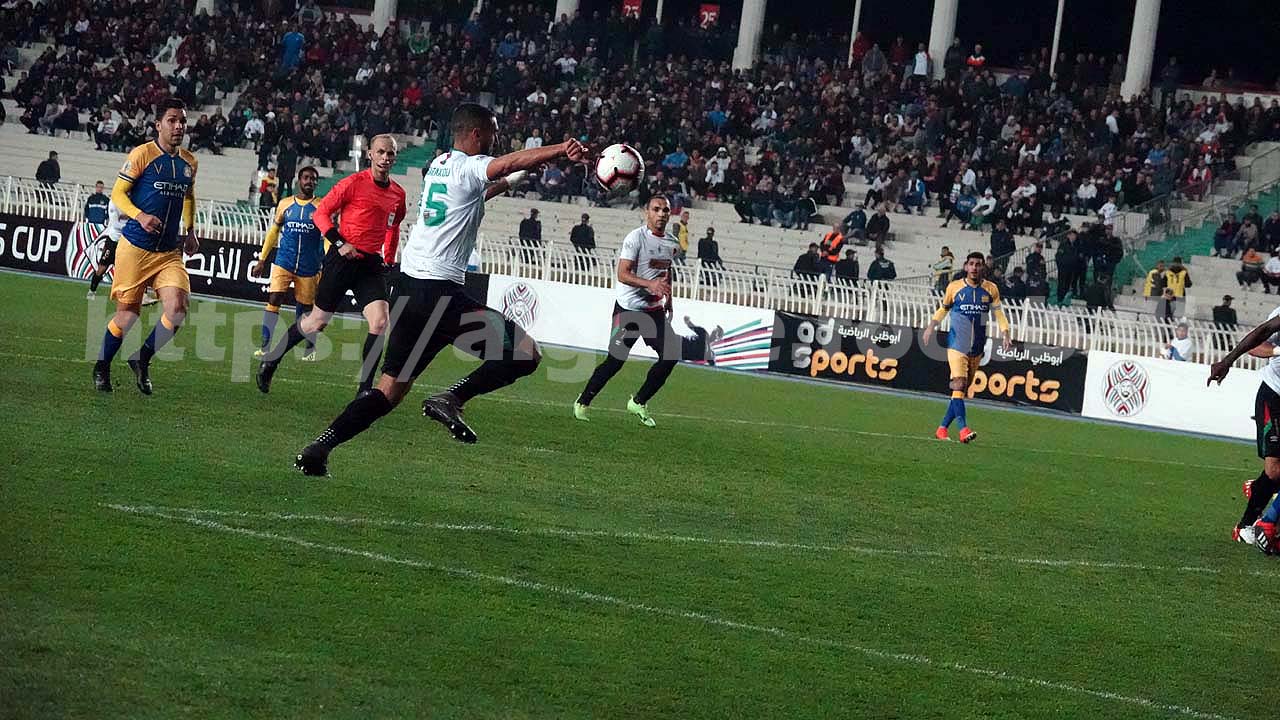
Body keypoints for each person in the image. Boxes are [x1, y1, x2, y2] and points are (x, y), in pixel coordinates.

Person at [294, 104, 586, 475]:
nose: (495, 139)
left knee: (388, 391)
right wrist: (560, 149)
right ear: (477, 134)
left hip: (408, 290)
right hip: (438, 294)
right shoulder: (469, 166)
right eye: (493, 132)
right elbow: (504, 164)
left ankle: (319, 448)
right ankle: (452, 398)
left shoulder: (440, 165)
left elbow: (478, 194)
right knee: (526, 352)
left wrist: (520, 175)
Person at [257, 134, 407, 398]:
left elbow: (393, 227)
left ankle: (364, 391)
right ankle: (272, 359)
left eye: (390, 153)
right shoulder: (352, 183)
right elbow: (320, 213)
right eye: (381, 152)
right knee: (316, 322)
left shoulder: (398, 194)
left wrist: (389, 259)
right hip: (342, 259)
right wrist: (340, 243)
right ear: (370, 154)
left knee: (380, 322)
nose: (385, 158)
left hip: (370, 264)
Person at [91, 98, 200, 395]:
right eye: (172, 120)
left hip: (168, 253)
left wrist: (190, 230)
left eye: (183, 121)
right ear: (158, 125)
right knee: (127, 316)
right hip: (135, 248)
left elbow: (189, 196)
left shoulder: (189, 162)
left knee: (177, 309)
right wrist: (140, 216)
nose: (179, 126)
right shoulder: (142, 154)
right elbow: (118, 194)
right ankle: (102, 365)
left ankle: (142, 358)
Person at [573, 195, 680, 427]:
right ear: (646, 212)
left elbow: (666, 271)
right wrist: (650, 284)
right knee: (615, 361)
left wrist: (669, 298)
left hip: (653, 311)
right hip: (628, 310)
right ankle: (583, 400)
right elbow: (622, 274)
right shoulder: (635, 238)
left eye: (665, 210)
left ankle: (638, 402)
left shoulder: (672, 243)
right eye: (656, 209)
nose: (661, 214)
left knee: (671, 355)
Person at [1205, 309, 1280, 551]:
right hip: (1274, 395)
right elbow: (1258, 341)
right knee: (1275, 471)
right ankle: (1246, 527)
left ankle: (1260, 496)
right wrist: (1227, 361)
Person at [922, 252, 1012, 444]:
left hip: (977, 348)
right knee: (959, 384)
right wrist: (931, 326)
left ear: (983, 267)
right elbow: (944, 308)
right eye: (971, 264)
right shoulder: (954, 287)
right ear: (965, 266)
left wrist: (1005, 333)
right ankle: (963, 430)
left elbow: (999, 313)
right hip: (956, 344)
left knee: (960, 391)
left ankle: (942, 429)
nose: (974, 267)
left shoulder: (991, 289)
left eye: (978, 264)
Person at [252, 167, 323, 361]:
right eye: (306, 178)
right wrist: (262, 259)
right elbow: (274, 232)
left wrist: (326, 259)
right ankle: (265, 347)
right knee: (274, 298)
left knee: (305, 309)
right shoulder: (285, 204)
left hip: (309, 265)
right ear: (299, 181)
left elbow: (326, 236)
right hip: (284, 261)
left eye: (313, 179)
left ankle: (309, 348)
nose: (310, 182)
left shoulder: (321, 206)